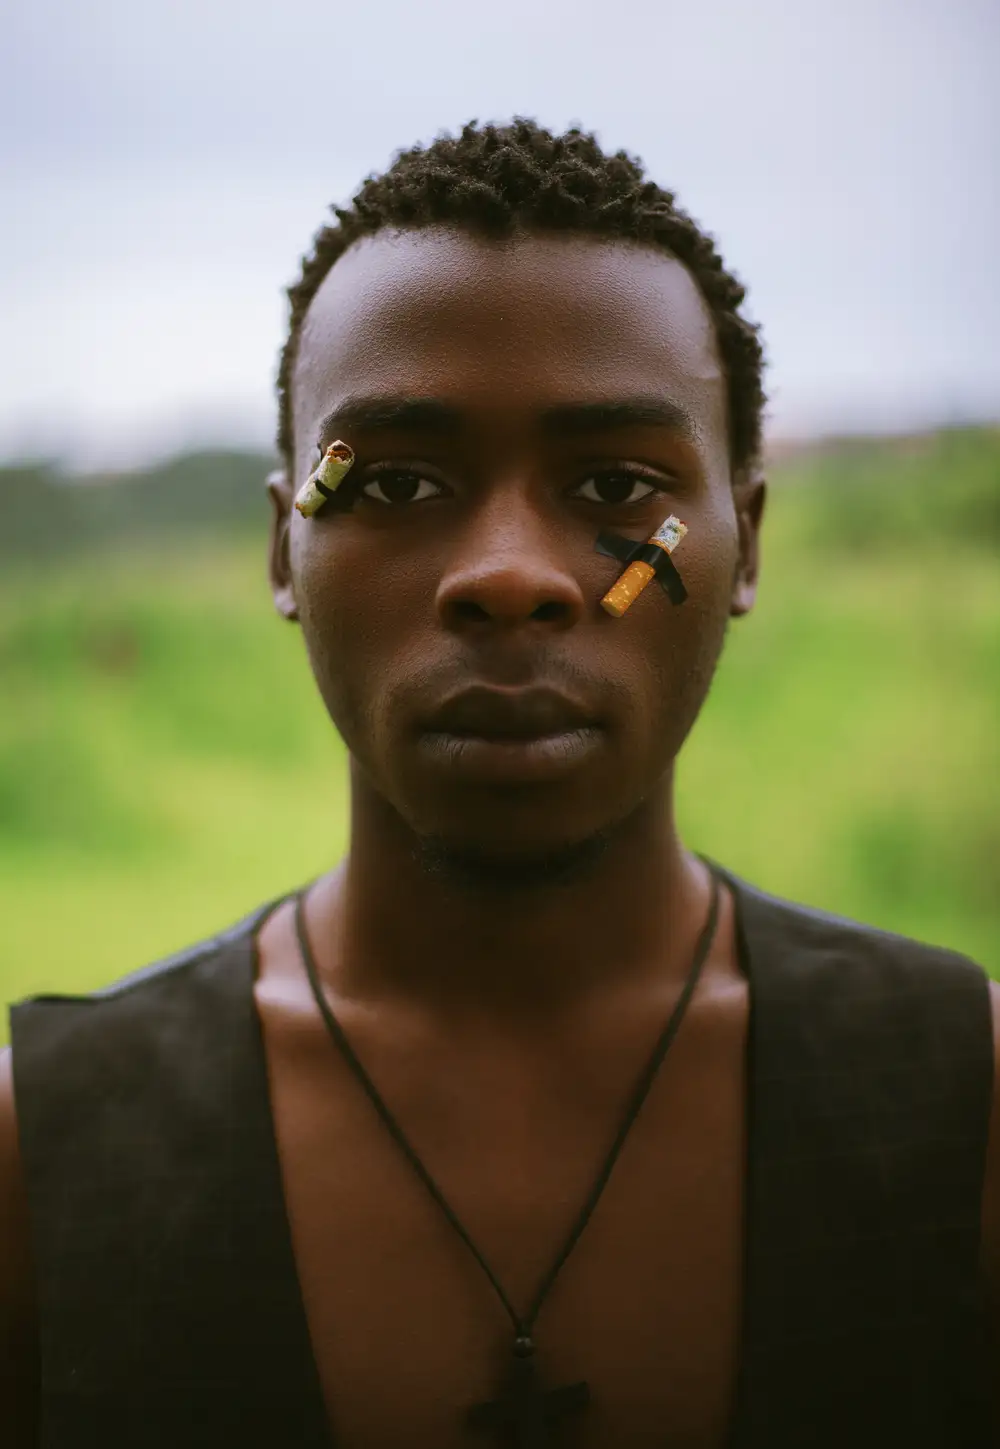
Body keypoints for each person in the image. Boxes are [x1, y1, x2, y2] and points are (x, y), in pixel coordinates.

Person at [1, 119, 997, 1449]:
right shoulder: (39, 1163)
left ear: (742, 541)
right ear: (285, 552)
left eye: (618, 486)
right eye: (396, 481)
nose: (511, 573)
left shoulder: (972, 1112)